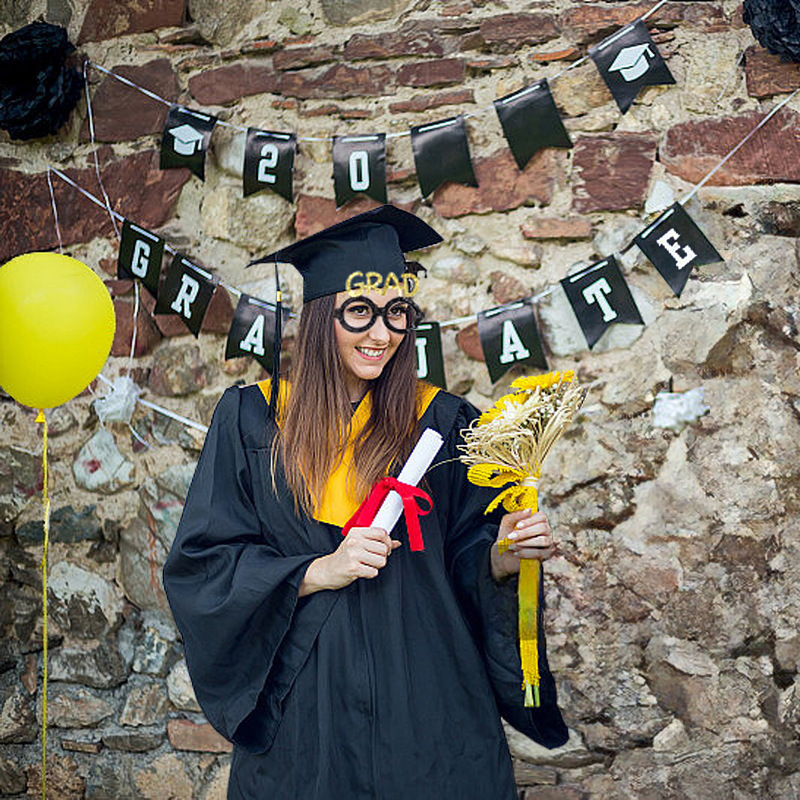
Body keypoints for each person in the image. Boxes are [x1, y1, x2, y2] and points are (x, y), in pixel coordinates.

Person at [162, 205, 568, 800]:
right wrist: (314, 571)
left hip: (428, 706)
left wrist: (502, 557)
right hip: (308, 712)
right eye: (360, 312)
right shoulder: (251, 419)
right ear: (323, 317)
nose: (381, 335)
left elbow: (465, 554)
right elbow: (203, 564)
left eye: (397, 314)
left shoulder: (444, 423)